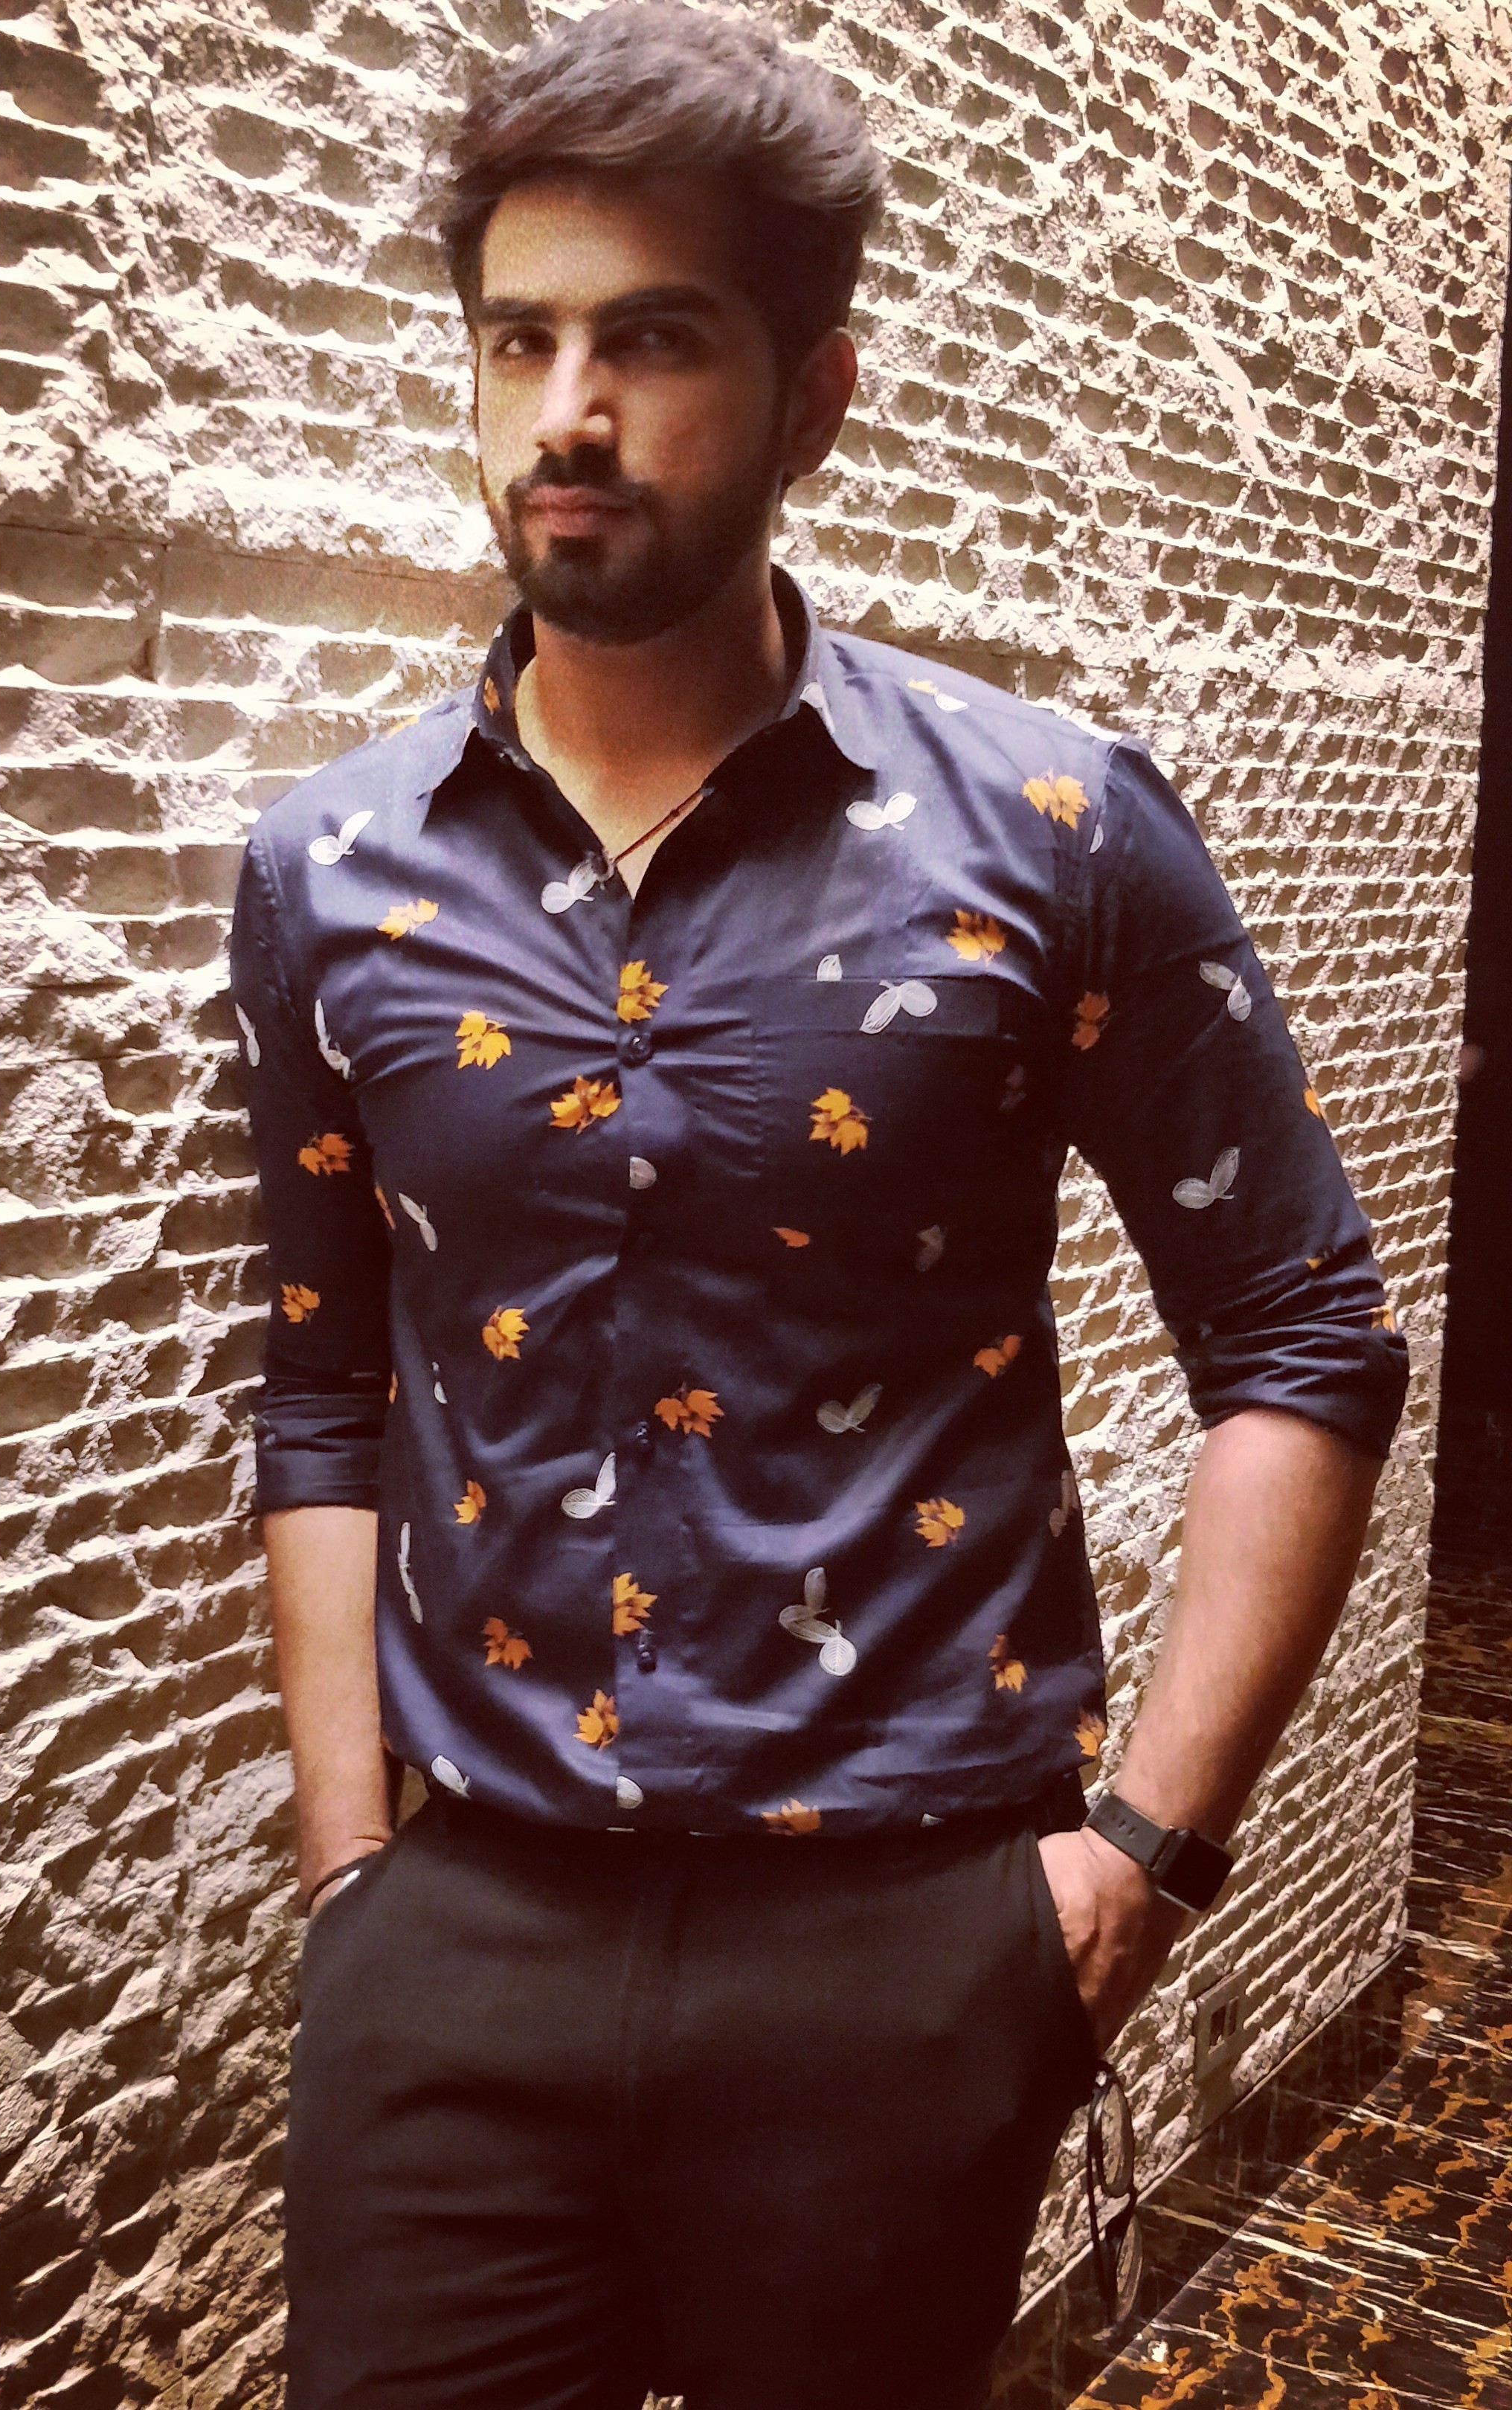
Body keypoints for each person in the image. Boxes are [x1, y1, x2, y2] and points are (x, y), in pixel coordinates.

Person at [228, 7, 1408, 2402]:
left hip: (899, 1933)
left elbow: (1302, 1334)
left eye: (655, 340)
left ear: (817, 395)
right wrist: (354, 1870)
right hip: (460, 1933)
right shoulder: (330, 869)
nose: (568, 413)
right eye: (520, 341)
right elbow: (323, 1378)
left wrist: (1135, 1869)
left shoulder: (1052, 830)